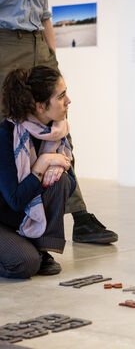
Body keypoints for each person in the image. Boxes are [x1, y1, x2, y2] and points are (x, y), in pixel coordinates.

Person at [0, 0, 118, 244]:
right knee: (9, 134)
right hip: (5, 44)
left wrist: (52, 57)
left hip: (38, 44)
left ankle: (79, 215)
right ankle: (16, 225)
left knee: (59, 129)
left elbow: (44, 16)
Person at [0, 66, 76, 278]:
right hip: (4, 216)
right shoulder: (6, 135)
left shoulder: (58, 131)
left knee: (60, 180)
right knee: (24, 264)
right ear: (40, 106)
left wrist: (56, 168)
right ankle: (29, 250)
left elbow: (70, 184)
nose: (68, 100)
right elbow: (14, 200)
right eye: (61, 96)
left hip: (18, 220)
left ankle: (42, 249)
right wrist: (42, 165)